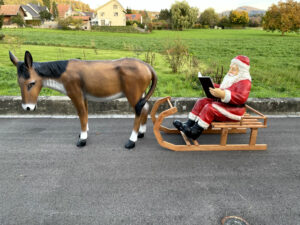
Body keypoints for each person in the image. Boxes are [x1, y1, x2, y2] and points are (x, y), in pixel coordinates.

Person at [173, 55, 252, 140]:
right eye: (230, 68)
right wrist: (212, 86)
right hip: (226, 104)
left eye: (233, 69)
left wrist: (223, 94)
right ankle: (189, 124)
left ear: (241, 71)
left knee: (210, 108)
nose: (230, 71)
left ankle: (195, 132)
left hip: (235, 110)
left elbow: (241, 97)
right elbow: (224, 88)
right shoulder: (232, 79)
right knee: (202, 101)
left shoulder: (245, 82)